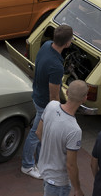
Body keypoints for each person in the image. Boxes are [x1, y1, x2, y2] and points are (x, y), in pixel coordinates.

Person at [33, 79, 88, 196]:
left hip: (44, 168)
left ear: (67, 92)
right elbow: (71, 165)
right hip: (57, 179)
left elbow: (38, 132)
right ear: (84, 99)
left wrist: (50, 150)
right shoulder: (74, 130)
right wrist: (78, 189)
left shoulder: (51, 106)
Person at [21, 25, 73, 178]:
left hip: (37, 95)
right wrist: (57, 114)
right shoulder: (57, 67)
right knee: (36, 134)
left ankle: (40, 161)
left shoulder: (45, 46)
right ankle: (27, 165)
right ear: (67, 43)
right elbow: (54, 96)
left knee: (41, 134)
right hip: (44, 104)